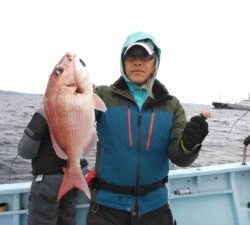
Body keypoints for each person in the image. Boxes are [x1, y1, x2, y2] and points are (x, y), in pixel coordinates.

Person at [85, 31, 209, 225]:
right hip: (107, 208)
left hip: (155, 209)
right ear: (122, 62)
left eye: (144, 57)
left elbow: (179, 157)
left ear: (155, 63)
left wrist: (189, 144)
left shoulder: (171, 105)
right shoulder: (101, 96)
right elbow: (77, 119)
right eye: (131, 56)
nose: (137, 62)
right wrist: (73, 91)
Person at [18, 108, 88, 225]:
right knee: (67, 218)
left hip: (49, 181)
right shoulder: (85, 111)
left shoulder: (44, 112)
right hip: (75, 177)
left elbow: (25, 151)